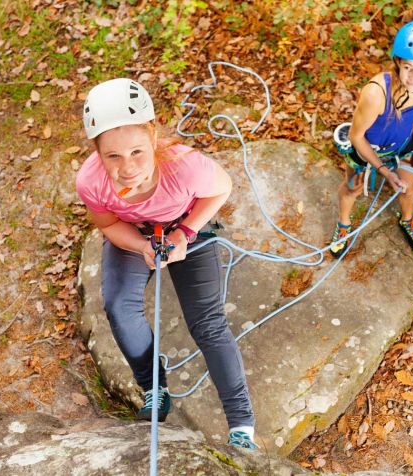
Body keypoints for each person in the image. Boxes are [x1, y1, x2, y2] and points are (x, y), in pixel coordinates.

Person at [75, 78, 257, 449]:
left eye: (137, 152)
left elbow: (221, 188)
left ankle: (241, 424)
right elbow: (109, 224)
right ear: (96, 152)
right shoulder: (91, 181)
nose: (127, 168)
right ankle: (153, 387)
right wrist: (142, 246)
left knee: (207, 322)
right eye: (112, 156)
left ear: (153, 137)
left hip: (186, 227)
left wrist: (184, 234)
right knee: (119, 307)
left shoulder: (185, 167)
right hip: (135, 234)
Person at [329, 19, 413, 256]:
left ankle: (406, 219)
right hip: (367, 146)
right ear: (397, 63)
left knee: (407, 187)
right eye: (408, 67)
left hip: (403, 144)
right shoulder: (377, 92)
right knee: (352, 188)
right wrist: (384, 170)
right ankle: (343, 226)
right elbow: (356, 135)